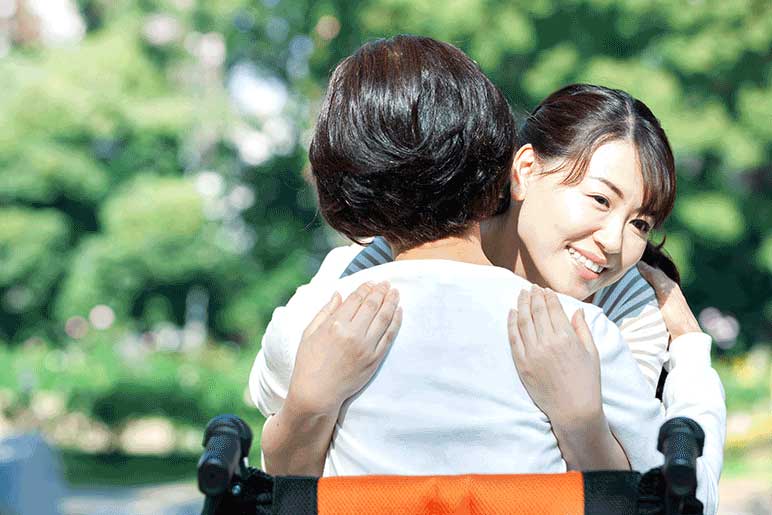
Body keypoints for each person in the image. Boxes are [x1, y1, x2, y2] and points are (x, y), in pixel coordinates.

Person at [252, 77, 726, 513]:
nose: (615, 242)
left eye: (640, 223)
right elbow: (284, 434)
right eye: (600, 200)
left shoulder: (626, 310)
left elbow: (672, 494)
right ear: (524, 170)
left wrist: (685, 347)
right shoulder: (388, 261)